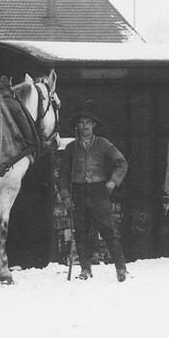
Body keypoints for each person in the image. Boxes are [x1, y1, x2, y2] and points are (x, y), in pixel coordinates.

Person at [56, 110, 129, 282]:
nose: (85, 126)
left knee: (109, 230)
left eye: (88, 122)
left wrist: (113, 181)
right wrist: (66, 196)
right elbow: (63, 174)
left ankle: (121, 268)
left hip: (99, 192)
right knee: (80, 232)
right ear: (77, 126)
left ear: (94, 125)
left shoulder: (103, 144)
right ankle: (85, 269)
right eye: (82, 122)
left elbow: (121, 163)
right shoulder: (71, 148)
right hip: (78, 193)